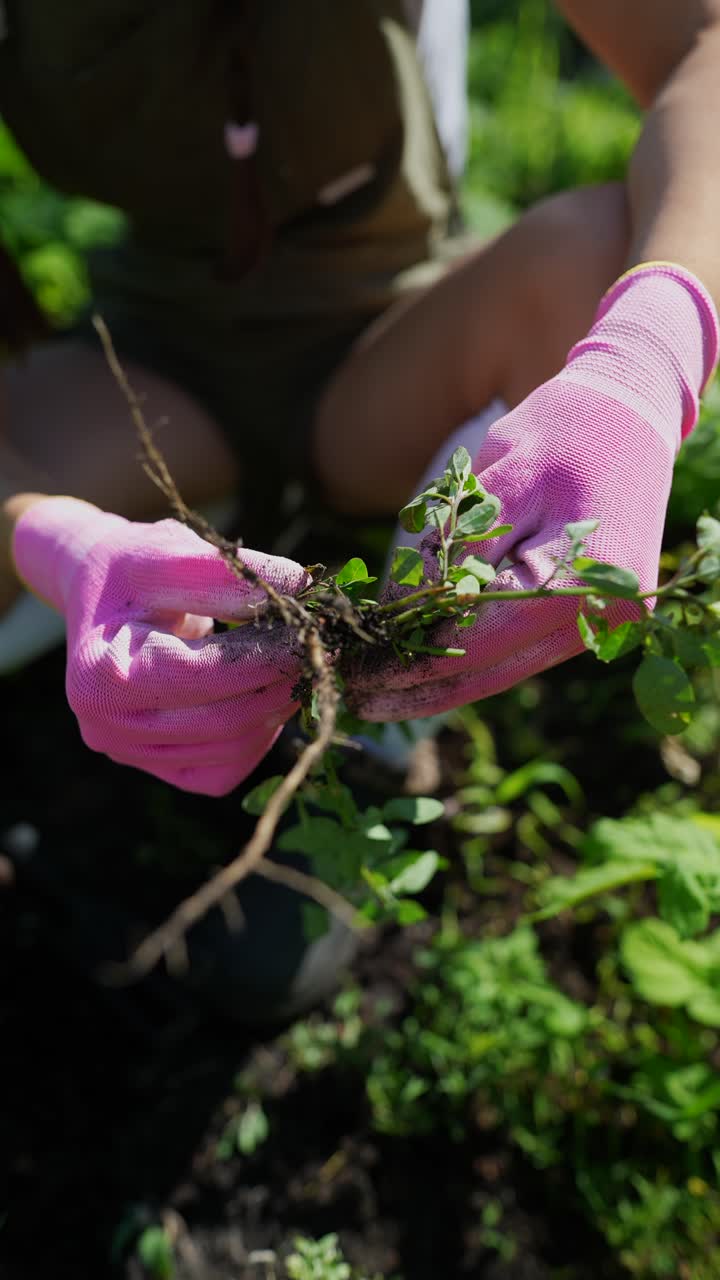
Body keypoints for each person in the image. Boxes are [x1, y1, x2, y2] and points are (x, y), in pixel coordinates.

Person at [1, 0, 719, 1020]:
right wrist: (44, 531)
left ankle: (383, 722)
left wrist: (644, 361)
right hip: (150, 371)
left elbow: (702, 44)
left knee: (593, 249)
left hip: (395, 346)